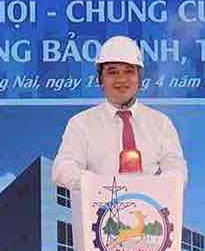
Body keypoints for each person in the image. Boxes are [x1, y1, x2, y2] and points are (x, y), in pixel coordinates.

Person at [51, 36, 187, 188]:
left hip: (148, 209)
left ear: (139, 78)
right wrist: (104, 186)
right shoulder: (81, 124)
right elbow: (62, 169)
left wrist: (152, 187)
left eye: (129, 71)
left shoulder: (161, 124)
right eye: (113, 72)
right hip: (98, 207)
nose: (121, 79)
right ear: (100, 79)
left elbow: (177, 172)